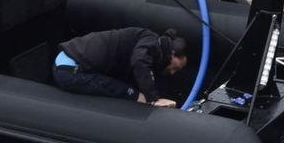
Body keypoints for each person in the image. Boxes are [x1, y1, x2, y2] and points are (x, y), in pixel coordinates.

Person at [52, 27, 186, 105]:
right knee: (131, 94)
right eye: (175, 67)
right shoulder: (150, 44)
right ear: (171, 53)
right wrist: (153, 99)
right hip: (71, 70)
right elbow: (139, 61)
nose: (172, 72)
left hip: (68, 60)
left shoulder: (146, 37)